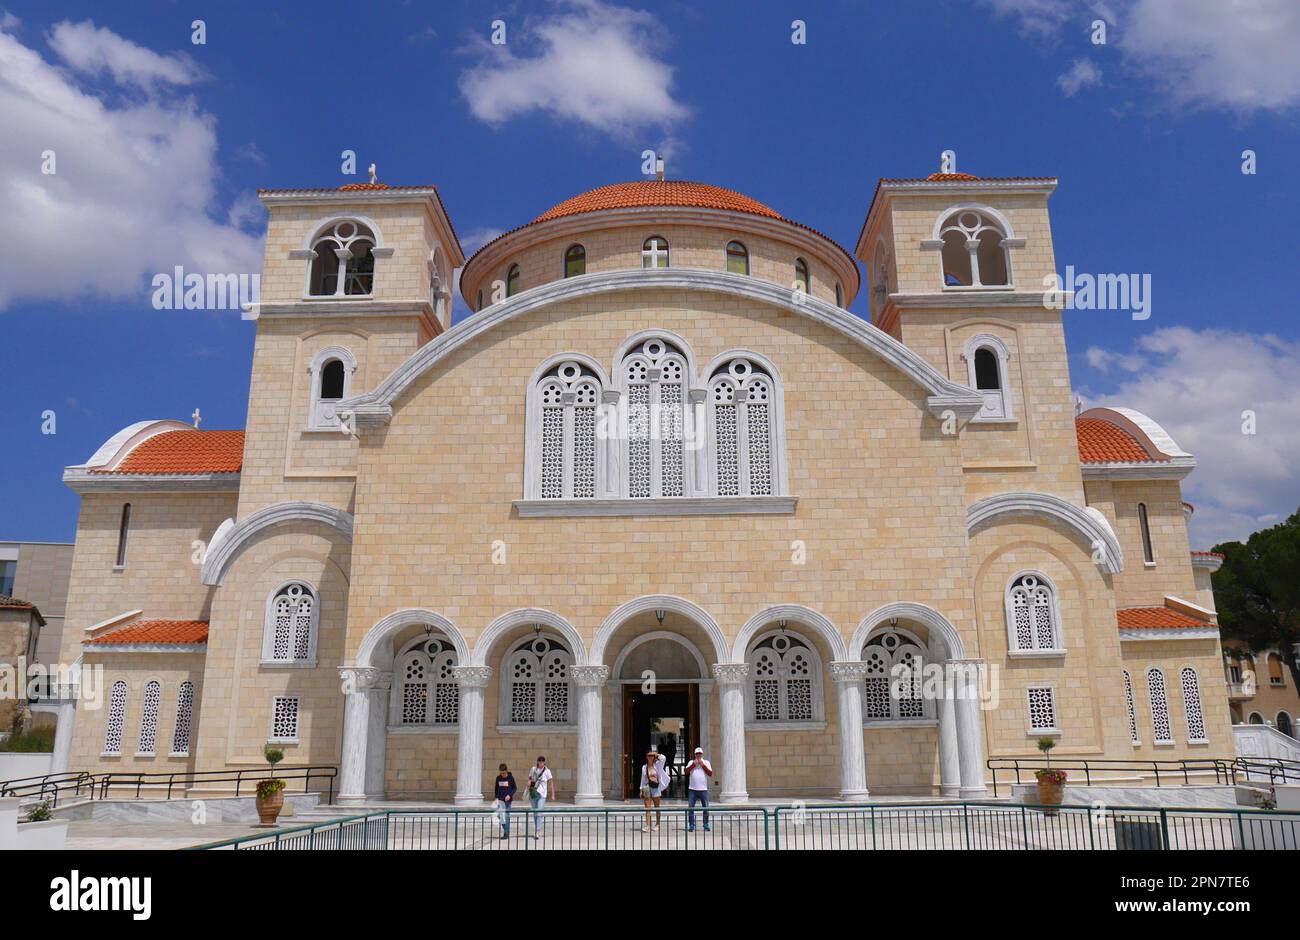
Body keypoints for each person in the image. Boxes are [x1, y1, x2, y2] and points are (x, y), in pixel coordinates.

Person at [639, 747, 667, 832]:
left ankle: (657, 823)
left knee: (657, 807)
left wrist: (656, 754)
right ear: (646, 757)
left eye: (652, 755)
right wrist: (641, 789)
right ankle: (647, 825)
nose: (650, 757)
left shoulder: (657, 765)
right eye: (649, 755)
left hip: (655, 787)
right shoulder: (644, 767)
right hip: (647, 787)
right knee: (647, 807)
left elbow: (663, 758)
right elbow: (642, 779)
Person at [685, 747, 713, 832]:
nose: (698, 755)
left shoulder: (706, 762)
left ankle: (705, 824)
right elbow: (686, 771)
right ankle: (691, 825)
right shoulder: (691, 762)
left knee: (706, 808)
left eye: (700, 754)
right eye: (697, 754)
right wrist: (693, 764)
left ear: (702, 754)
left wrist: (702, 765)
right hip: (692, 789)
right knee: (691, 808)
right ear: (695, 754)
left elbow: (710, 773)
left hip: (703, 789)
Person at [526, 755, 553, 840]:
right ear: (537, 761)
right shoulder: (533, 769)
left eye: (542, 761)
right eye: (539, 761)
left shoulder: (547, 771)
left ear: (544, 762)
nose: (541, 762)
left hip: (542, 795)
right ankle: (538, 828)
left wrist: (552, 794)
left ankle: (537, 831)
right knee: (535, 813)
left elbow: (551, 782)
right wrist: (529, 782)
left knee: (539, 813)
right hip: (533, 793)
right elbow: (530, 777)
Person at [492, 763, 516, 840]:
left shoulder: (510, 778)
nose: (503, 775)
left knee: (507, 816)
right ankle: (506, 828)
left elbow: (514, 788)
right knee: (500, 816)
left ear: (506, 771)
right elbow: (496, 788)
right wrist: (496, 798)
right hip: (500, 800)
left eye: (504, 773)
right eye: (501, 773)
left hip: (508, 801)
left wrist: (509, 795)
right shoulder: (498, 778)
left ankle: (506, 833)